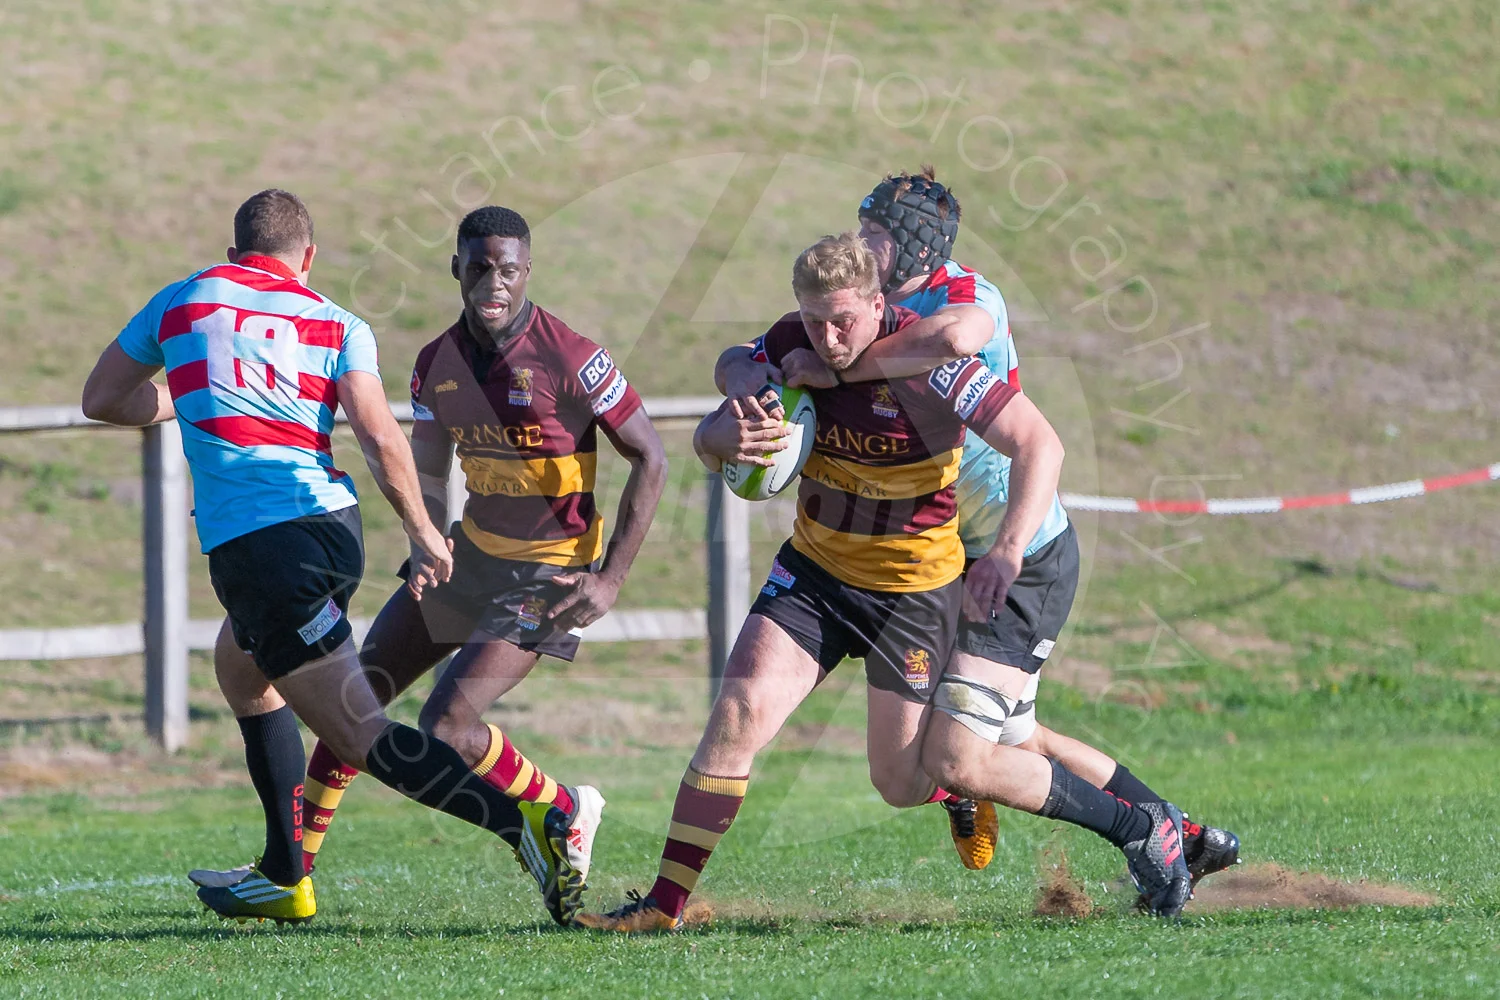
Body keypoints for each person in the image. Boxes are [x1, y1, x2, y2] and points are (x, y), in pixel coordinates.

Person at [578, 232, 1190, 932]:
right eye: (814, 321)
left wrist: (1008, 551)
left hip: (912, 593)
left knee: (903, 782)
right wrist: (730, 434)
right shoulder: (788, 345)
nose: (829, 337)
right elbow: (711, 430)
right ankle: (664, 904)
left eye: (844, 319)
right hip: (815, 574)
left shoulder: (932, 363)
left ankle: (1138, 827)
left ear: (878, 302)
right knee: (738, 713)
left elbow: (1039, 443)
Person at [715, 167, 1239, 896]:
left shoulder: (963, 295)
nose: (862, 245)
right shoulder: (860, 307)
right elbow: (752, 353)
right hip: (949, 558)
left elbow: (957, 337)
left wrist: (835, 377)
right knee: (1018, 740)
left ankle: (1144, 835)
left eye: (875, 236)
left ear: (914, 246)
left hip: (1017, 556)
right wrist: (756, 381)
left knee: (960, 755)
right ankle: (1177, 831)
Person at [81, 190, 586, 926]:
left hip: (264, 546)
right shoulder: (335, 321)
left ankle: (533, 822)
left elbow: (103, 397)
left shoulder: (181, 302)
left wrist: (174, 400)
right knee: (240, 664)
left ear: (233, 256)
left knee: (356, 733)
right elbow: (379, 436)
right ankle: (286, 871)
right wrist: (419, 527)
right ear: (306, 259)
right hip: (328, 528)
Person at [187, 205, 666, 893]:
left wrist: (611, 578)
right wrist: (428, 540)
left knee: (446, 725)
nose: (493, 283)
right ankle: (294, 875)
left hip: (548, 575)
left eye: (508, 270)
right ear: (457, 269)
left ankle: (561, 809)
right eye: (478, 267)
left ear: (527, 271)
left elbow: (652, 457)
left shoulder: (572, 356)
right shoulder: (436, 363)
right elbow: (430, 468)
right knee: (354, 702)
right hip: (466, 561)